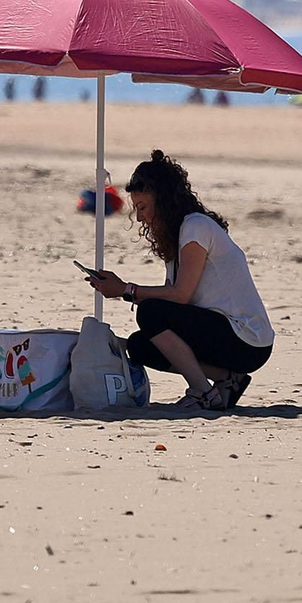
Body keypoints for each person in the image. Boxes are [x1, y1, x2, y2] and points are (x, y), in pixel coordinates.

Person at [86, 150, 274, 412]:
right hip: (223, 334)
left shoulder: (195, 227)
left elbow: (181, 295)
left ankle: (203, 392)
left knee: (151, 313)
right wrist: (123, 291)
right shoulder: (179, 237)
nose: (140, 218)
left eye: (142, 208)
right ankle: (227, 379)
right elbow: (174, 298)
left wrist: (126, 290)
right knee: (141, 345)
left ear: (162, 202)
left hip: (247, 339)